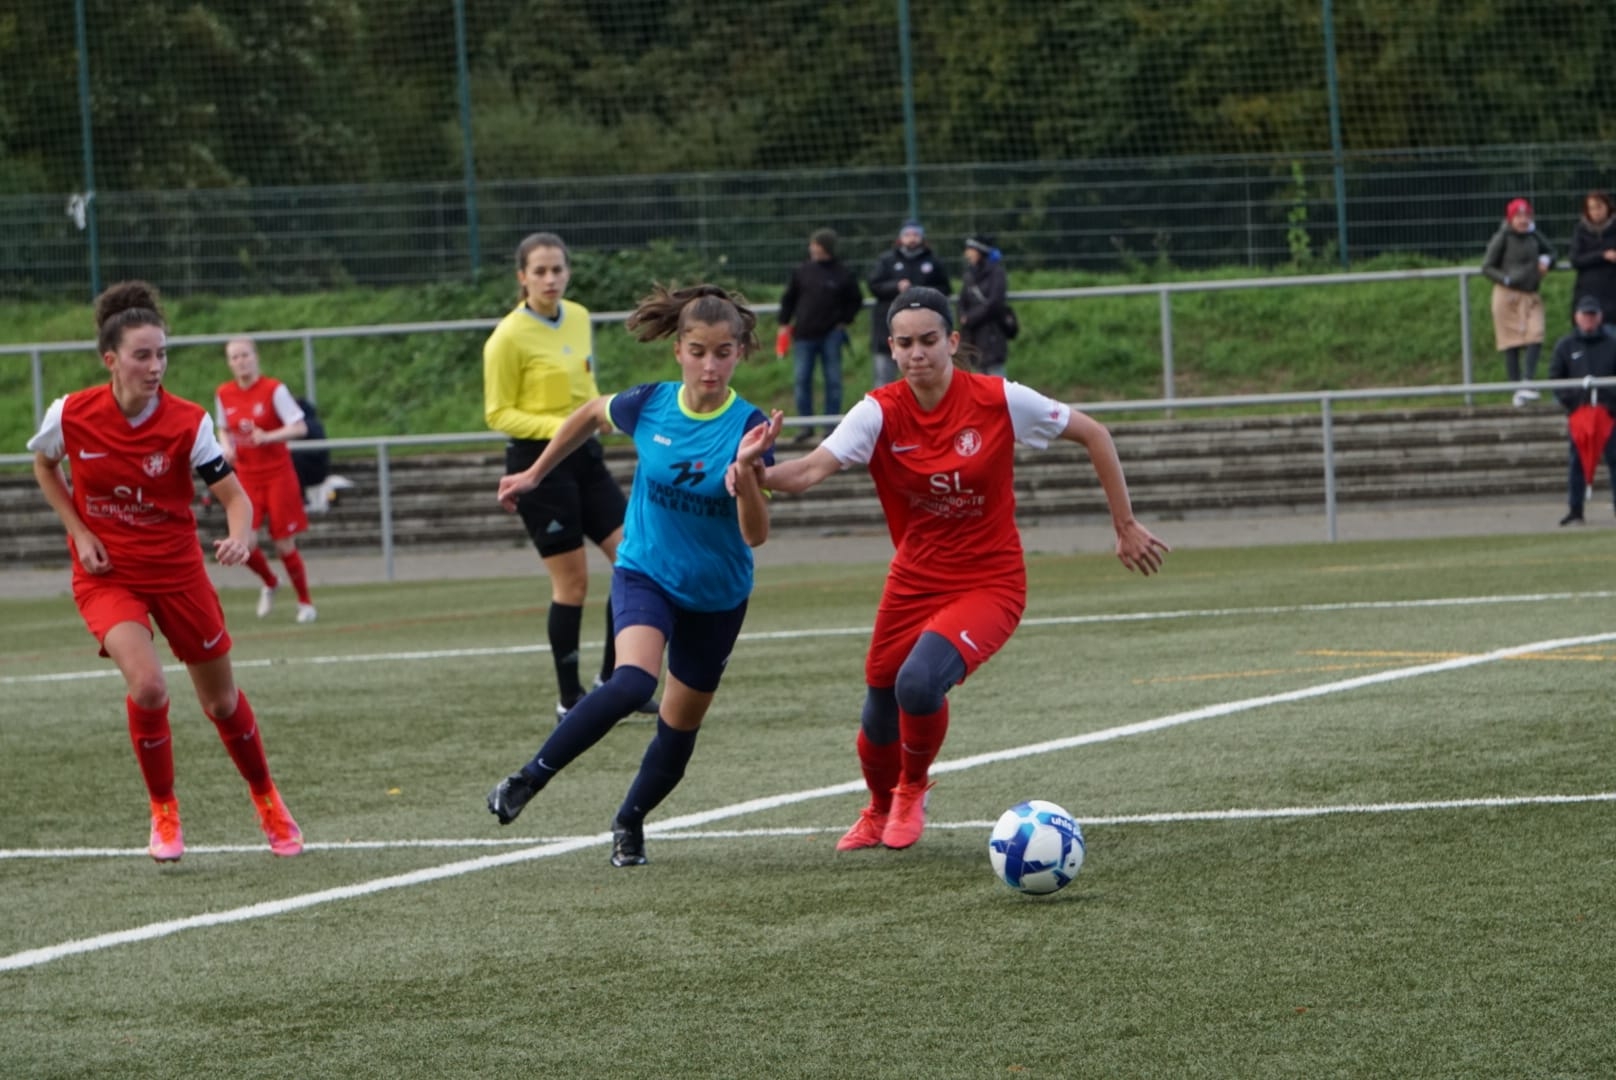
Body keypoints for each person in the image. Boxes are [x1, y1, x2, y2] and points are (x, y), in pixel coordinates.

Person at [735, 286, 1169, 852]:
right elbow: (810, 470)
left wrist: (1125, 524)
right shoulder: (878, 411)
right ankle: (878, 808)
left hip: (990, 582)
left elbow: (1094, 433)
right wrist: (755, 471)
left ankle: (913, 787)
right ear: (892, 347)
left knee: (917, 683)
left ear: (952, 341)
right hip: (914, 578)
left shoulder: (999, 399)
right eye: (905, 343)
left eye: (929, 340)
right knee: (878, 707)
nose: (917, 353)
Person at [486, 284, 776, 867]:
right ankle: (527, 778)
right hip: (645, 571)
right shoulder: (650, 403)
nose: (710, 366)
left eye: (723, 353)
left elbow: (755, 535)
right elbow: (591, 413)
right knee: (632, 683)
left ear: (739, 353)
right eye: (698, 351)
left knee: (678, 730)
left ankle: (630, 821)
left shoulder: (749, 427)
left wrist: (746, 477)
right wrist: (536, 473)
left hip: (716, 595)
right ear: (678, 350)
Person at [25, 281, 303, 862]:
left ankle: (267, 799)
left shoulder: (187, 422)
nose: (156, 366)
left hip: (178, 573)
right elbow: (45, 466)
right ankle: (164, 811)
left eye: (162, 354)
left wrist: (240, 536)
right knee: (149, 687)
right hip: (109, 575)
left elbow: (235, 498)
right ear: (111, 360)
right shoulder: (70, 413)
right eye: (142, 355)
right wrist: (80, 532)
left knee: (221, 703)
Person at [483, 231, 655, 721]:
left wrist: (599, 414)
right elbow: (498, 413)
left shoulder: (578, 317)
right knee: (573, 583)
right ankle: (570, 700)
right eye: (539, 271)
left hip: (586, 457)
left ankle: (613, 682)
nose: (550, 279)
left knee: (635, 560)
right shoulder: (506, 337)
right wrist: (563, 428)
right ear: (522, 277)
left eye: (557, 269)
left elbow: (585, 386)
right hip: (537, 466)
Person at [216, 337, 318, 623]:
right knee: (244, 544)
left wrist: (269, 436)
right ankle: (271, 582)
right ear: (229, 362)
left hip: (278, 474)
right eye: (234, 357)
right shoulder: (224, 393)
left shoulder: (274, 389)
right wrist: (226, 447)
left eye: (245, 355)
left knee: (284, 543)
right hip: (246, 477)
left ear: (255, 357)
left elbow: (299, 427)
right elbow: (223, 428)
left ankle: (305, 602)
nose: (240, 361)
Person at [778, 227, 864, 442]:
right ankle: (805, 426)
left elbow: (855, 300)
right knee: (802, 380)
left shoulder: (842, 273)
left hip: (831, 335)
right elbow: (789, 298)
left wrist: (844, 321)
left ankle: (830, 427)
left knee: (833, 381)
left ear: (825, 247)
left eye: (816, 244)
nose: (812, 248)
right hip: (804, 334)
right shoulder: (802, 271)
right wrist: (784, 323)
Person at [1547, 294, 1616, 526]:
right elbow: (1556, 378)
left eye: (1592, 315)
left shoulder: (1612, 344)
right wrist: (1574, 403)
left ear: (1600, 317)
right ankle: (1575, 510)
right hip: (1580, 415)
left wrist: (1610, 404)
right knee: (1577, 461)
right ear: (1577, 317)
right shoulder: (1566, 346)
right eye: (1585, 315)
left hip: (1608, 415)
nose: (1589, 319)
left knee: (1614, 459)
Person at [1481, 198, 1556, 407]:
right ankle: (1517, 389)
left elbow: (1551, 251)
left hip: (1530, 294)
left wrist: (1546, 261)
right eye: (1518, 216)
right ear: (1510, 218)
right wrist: (1506, 279)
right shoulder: (1502, 237)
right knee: (1511, 342)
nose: (1523, 220)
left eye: (1526, 216)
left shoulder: (1534, 235)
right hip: (1508, 296)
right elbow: (1487, 266)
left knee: (1536, 334)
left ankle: (1528, 380)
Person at [866, 220, 951, 389]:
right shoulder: (887, 260)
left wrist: (921, 291)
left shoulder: (933, 261)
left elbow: (945, 289)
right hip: (886, 330)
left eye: (916, 234)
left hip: (924, 329)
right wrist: (895, 287)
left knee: (925, 380)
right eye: (908, 234)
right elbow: (873, 285)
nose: (912, 238)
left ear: (922, 237)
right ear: (900, 237)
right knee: (884, 380)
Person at [958, 233, 1010, 378]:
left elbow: (995, 303)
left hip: (992, 331)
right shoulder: (970, 274)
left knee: (996, 375)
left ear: (980, 251)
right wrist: (962, 315)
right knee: (979, 375)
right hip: (974, 334)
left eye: (970, 249)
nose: (967, 254)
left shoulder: (996, 273)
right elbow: (962, 300)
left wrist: (970, 318)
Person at [1568, 190, 1616, 328]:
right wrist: (1603, 256)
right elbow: (1575, 259)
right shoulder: (1581, 230)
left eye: (1599, 207)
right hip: (1587, 294)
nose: (1596, 212)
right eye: (1592, 208)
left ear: (1607, 207)